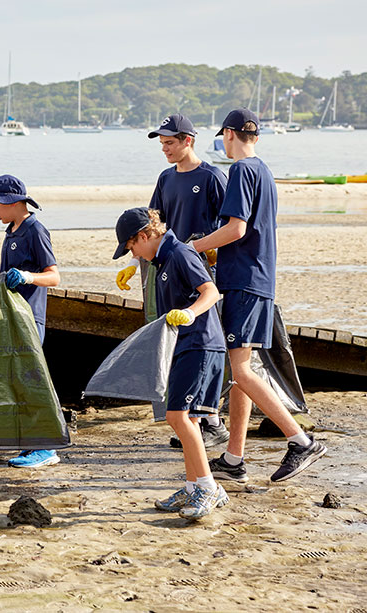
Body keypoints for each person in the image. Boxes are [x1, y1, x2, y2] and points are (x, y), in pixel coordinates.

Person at [191, 109, 327, 483]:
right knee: (243, 371)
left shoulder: (241, 169)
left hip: (245, 280)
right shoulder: (263, 171)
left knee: (241, 371)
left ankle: (301, 441)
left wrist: (195, 246)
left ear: (228, 134)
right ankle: (234, 460)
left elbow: (236, 229)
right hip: (258, 278)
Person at [118, 113, 231, 449]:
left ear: (188, 141)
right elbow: (151, 226)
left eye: (170, 142)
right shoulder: (166, 178)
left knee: (204, 343)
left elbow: (231, 226)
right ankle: (192, 418)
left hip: (202, 270)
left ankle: (211, 421)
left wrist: (205, 250)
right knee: (178, 345)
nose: (165, 149)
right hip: (167, 267)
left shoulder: (212, 177)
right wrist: (134, 261)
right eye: (162, 144)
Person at [113, 208, 228, 519]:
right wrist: (135, 267)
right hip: (183, 346)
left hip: (200, 344)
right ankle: (193, 486)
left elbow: (211, 292)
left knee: (177, 416)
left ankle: (208, 488)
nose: (133, 254)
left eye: (132, 247)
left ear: (144, 236)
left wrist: (190, 313)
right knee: (186, 420)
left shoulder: (179, 253)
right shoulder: (161, 260)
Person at [0, 174, 62, 468]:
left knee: (32, 381)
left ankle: (46, 448)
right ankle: (30, 444)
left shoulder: (35, 230)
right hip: (11, 318)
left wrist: (27, 277)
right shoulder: (11, 231)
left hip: (29, 318)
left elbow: (54, 276)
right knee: (17, 381)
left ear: (13, 202)